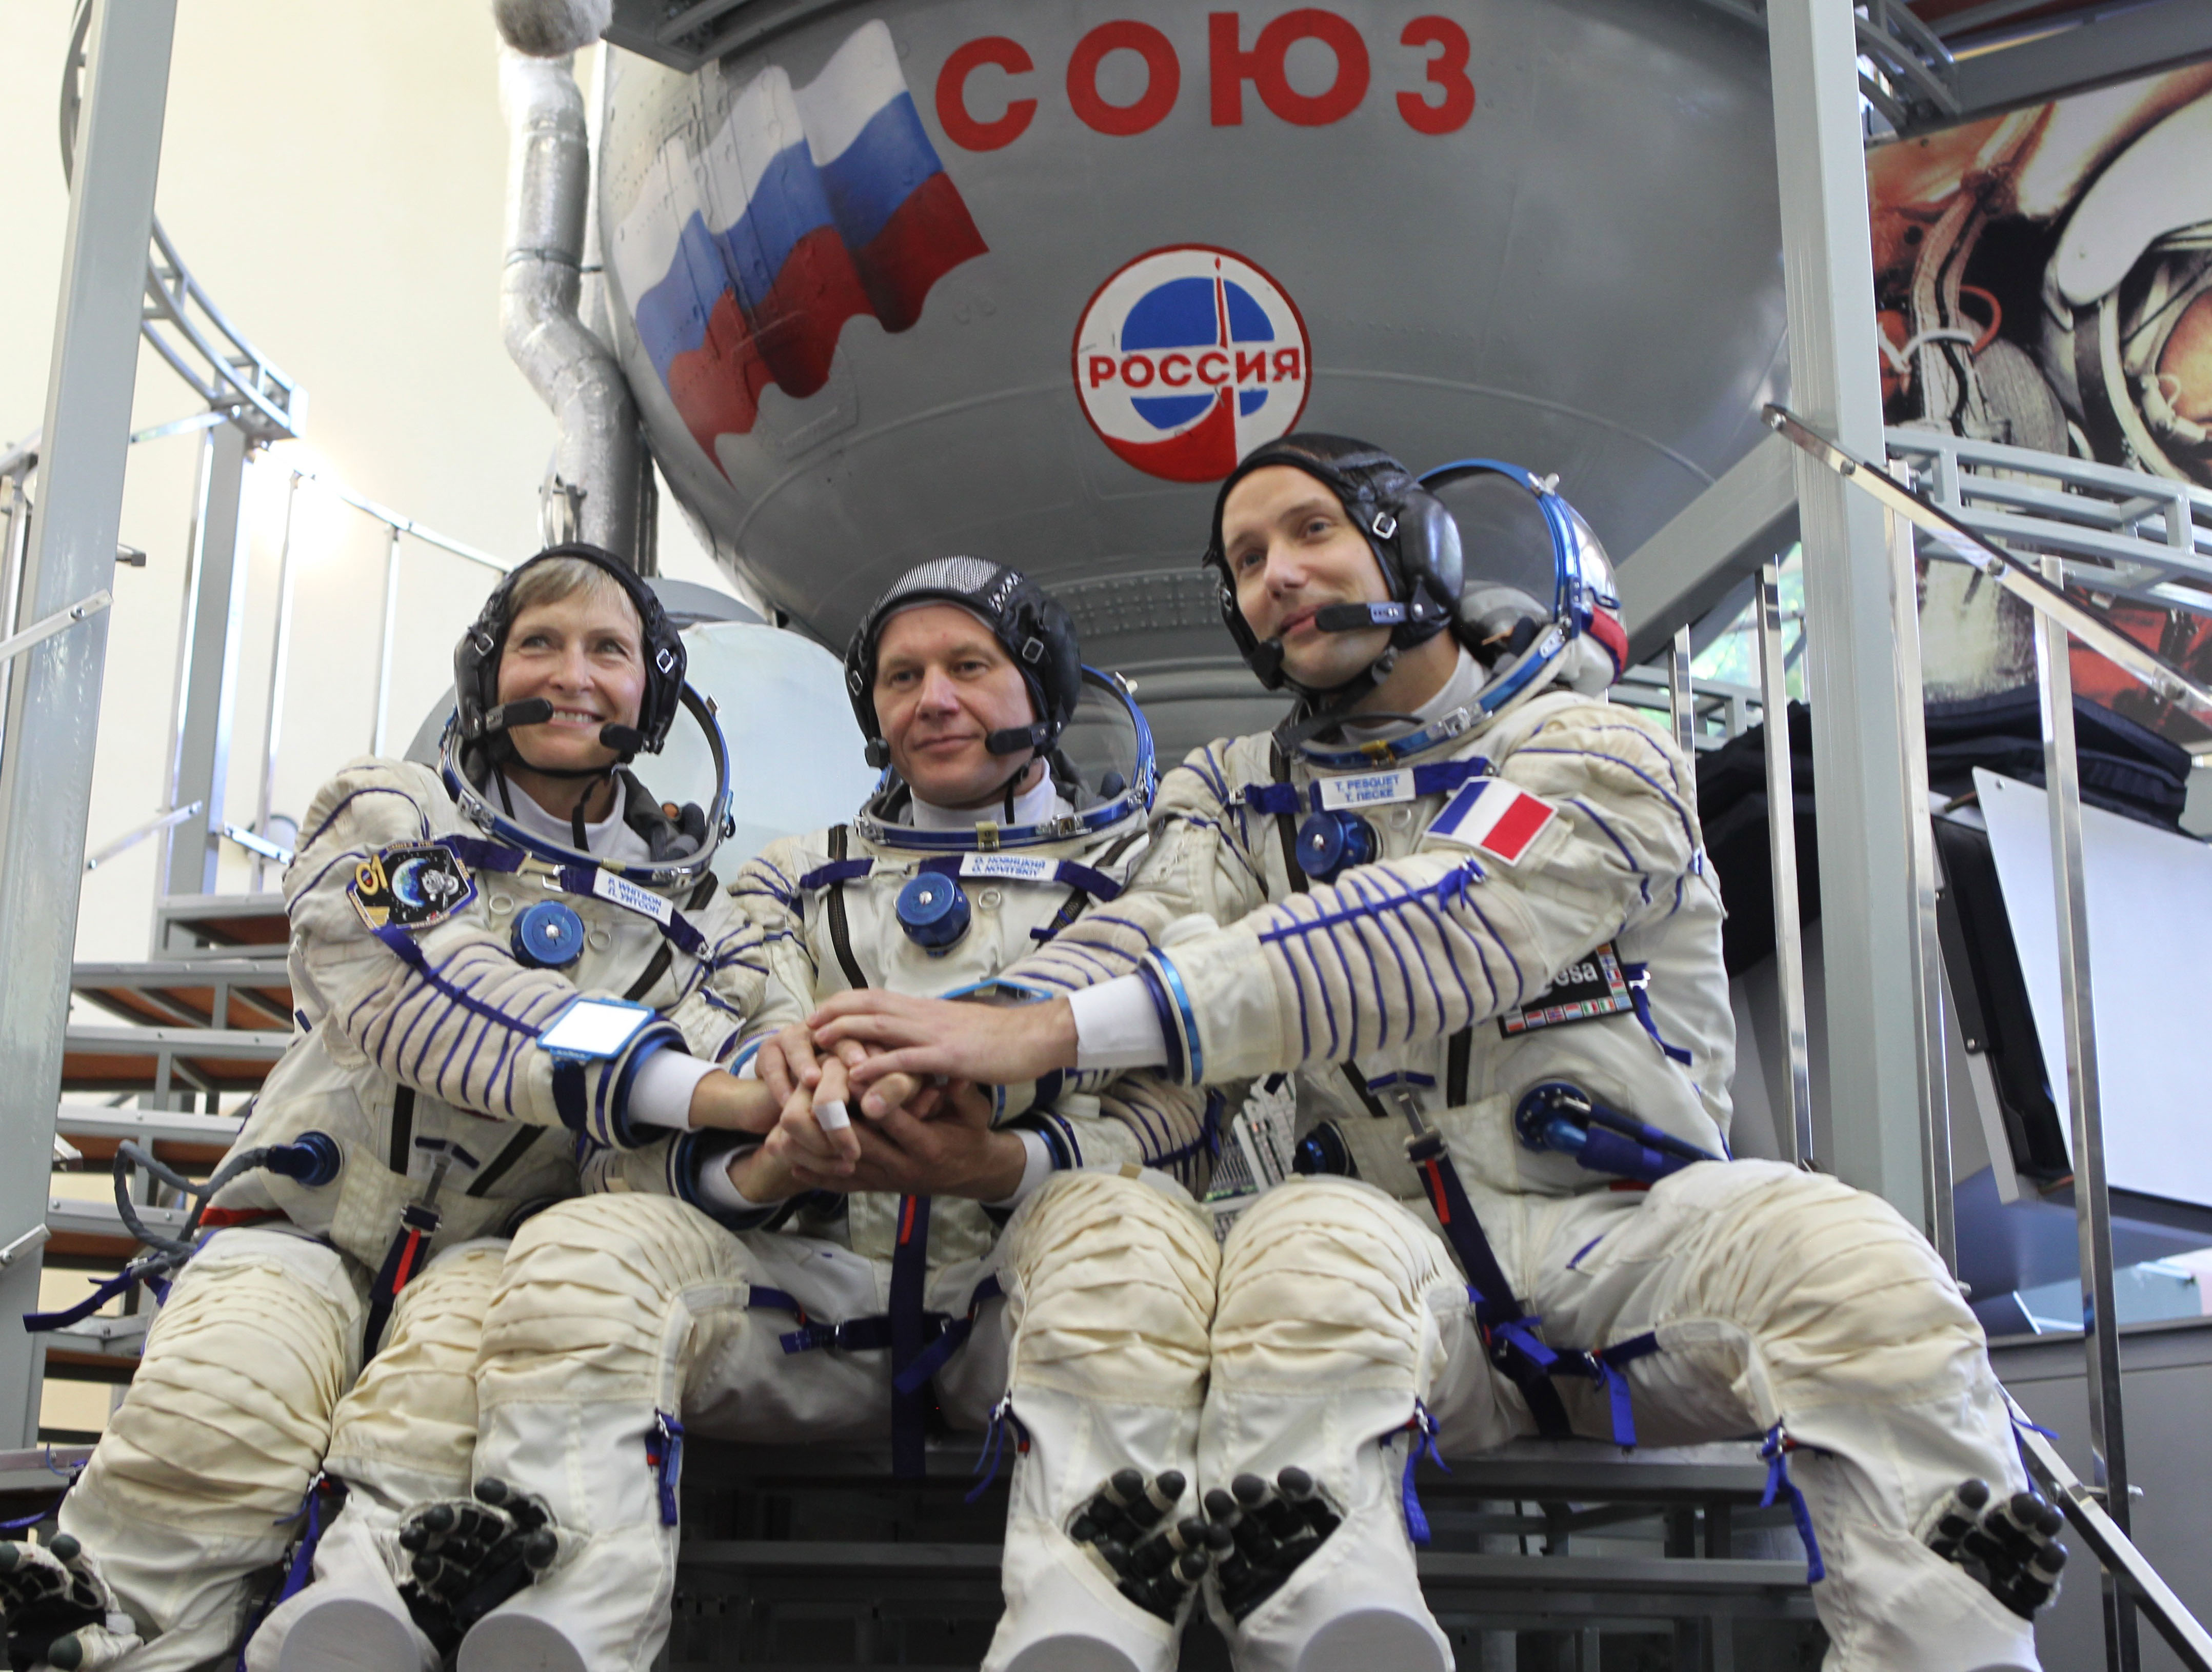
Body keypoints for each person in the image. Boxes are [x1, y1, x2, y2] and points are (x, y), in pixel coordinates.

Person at [810, 437, 2060, 1672]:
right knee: (1300, 1252)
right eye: (1245, 560)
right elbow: (1141, 930)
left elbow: (1441, 922)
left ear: (1418, 548)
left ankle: (1952, 1637)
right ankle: (1327, 1620)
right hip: (1396, 1259)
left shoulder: (1590, 748)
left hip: (1635, 1237)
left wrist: (1036, 1032)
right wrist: (947, 1043)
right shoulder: (1234, 792)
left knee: (1853, 1260)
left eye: (1310, 531)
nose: (1276, 574)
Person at [388, 559, 1219, 1672]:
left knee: (1130, 1227)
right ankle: (563, 1617)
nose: (933, 700)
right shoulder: (789, 880)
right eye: (901, 677)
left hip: (1025, 1294)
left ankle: (1089, 1623)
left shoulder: (1147, 862)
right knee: (589, 1240)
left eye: (969, 666)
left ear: (1043, 689)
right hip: (811, 1294)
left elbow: (1179, 1112)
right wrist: (775, 1152)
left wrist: (1000, 1160)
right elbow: (736, 1037)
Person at [0, 546, 788, 1672]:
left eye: (608, 650)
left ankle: (361, 1621)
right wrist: (684, 1080)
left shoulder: (708, 928)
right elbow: (430, 991)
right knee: (213, 1414)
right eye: (539, 643)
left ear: (654, 692)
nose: (572, 674)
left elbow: (692, 1119)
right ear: (486, 671)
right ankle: (101, 1628)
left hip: (496, 1256)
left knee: (428, 1440)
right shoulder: (388, 809)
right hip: (304, 1226)